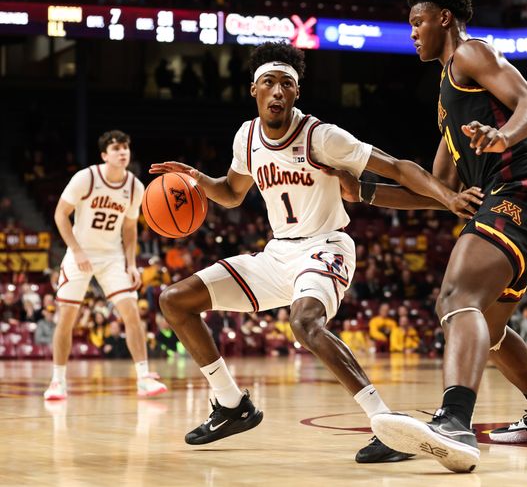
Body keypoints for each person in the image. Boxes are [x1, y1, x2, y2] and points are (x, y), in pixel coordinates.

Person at [151, 42, 481, 448]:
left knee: (305, 323)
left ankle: (385, 422)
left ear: (296, 93)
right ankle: (231, 403)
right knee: (174, 300)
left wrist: (447, 199)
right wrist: (197, 178)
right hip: (278, 254)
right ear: (253, 90)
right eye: (268, 83)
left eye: (286, 84)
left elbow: (396, 167)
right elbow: (232, 192)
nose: (277, 91)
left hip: (326, 246)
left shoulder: (322, 136)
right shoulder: (246, 136)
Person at [341, 0, 527, 473]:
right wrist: (362, 191)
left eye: (417, 21)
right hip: (506, 200)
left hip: (521, 192)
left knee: (454, 300)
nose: (412, 33)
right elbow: (434, 189)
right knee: (488, 329)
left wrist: (502, 136)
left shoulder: (470, 54)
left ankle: (453, 420)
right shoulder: (446, 96)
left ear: (444, 18)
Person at [44, 130, 167, 400]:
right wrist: (76, 250)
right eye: (116, 148)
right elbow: (60, 215)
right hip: (81, 253)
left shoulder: (135, 186)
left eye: (126, 148)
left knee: (132, 312)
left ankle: (144, 377)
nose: (123, 152)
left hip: (112, 257)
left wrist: (132, 263)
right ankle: (57, 381)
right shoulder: (86, 178)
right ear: (104, 155)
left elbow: (130, 227)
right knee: (66, 316)